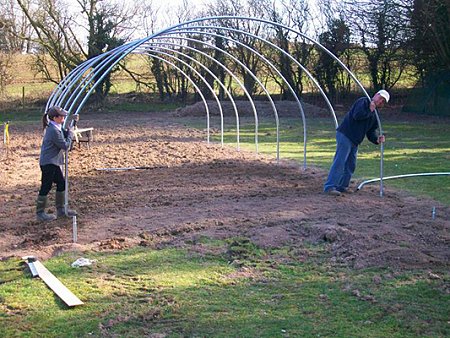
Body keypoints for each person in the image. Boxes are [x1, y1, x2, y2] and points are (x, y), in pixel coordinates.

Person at [323, 89, 390, 196]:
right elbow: (357, 115)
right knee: (340, 161)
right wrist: (370, 110)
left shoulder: (375, 114)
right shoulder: (363, 102)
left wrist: (377, 139)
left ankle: (342, 186)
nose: (381, 101)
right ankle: (329, 187)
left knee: (351, 164)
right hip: (345, 134)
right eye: (380, 98)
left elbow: (371, 131)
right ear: (376, 95)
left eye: (383, 101)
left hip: (355, 140)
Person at [36, 106, 77, 221]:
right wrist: (70, 134)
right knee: (46, 186)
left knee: (61, 183)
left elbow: (64, 132)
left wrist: (71, 126)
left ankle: (61, 210)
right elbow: (65, 145)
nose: (64, 117)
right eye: (62, 116)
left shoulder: (55, 127)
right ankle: (40, 213)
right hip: (49, 163)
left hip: (52, 161)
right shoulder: (53, 130)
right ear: (55, 118)